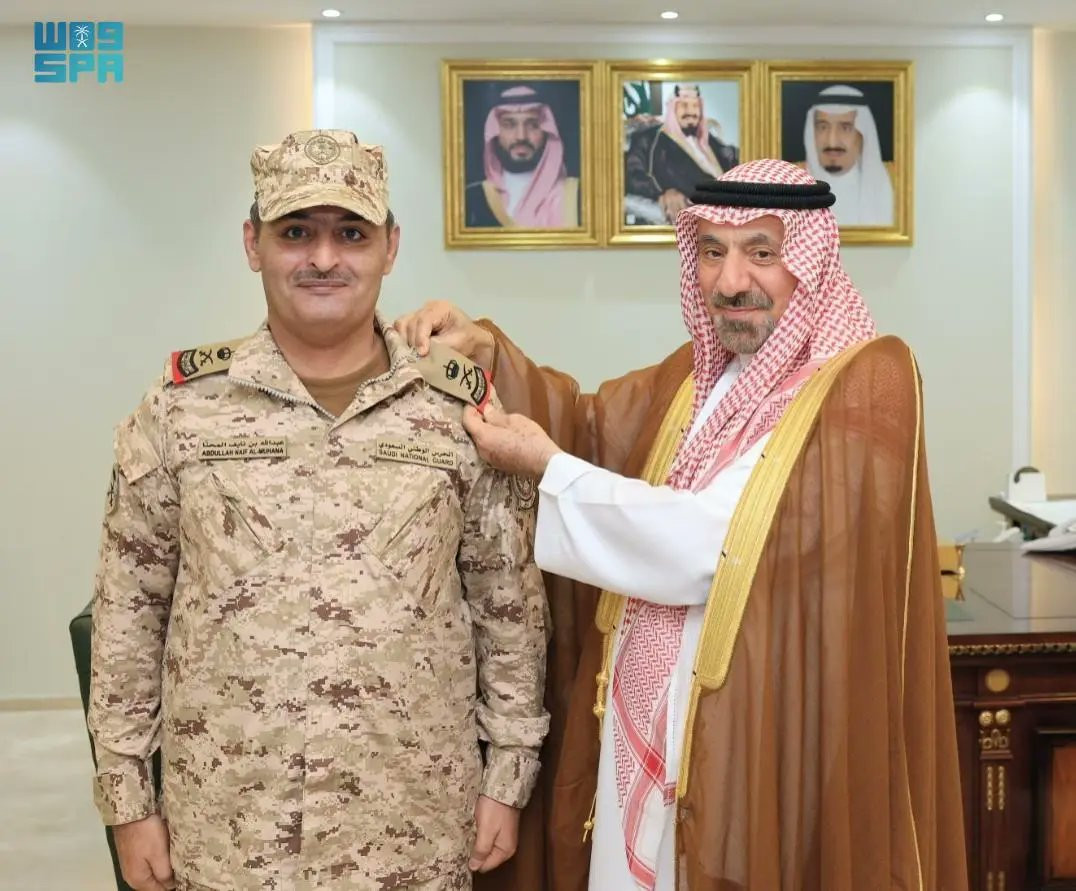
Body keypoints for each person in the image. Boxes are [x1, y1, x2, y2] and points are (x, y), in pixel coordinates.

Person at [395, 159, 968, 890]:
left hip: (762, 752)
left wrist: (549, 469)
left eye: (762, 252)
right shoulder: (702, 380)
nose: (731, 280)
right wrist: (488, 355)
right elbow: (590, 428)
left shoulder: (857, 392)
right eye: (712, 251)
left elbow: (715, 545)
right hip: (644, 740)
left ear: (809, 262)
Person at [88, 128, 549, 891]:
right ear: (253, 243)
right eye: (296, 231)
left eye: (352, 233)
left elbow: (508, 608)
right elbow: (129, 611)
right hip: (232, 826)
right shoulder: (181, 410)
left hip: (412, 820)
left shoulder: (454, 410)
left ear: (391, 246)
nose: (325, 258)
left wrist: (508, 773)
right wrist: (128, 798)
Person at [465, 83, 580, 229]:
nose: (521, 136)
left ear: (547, 132)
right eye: (509, 125)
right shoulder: (471, 198)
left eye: (533, 125)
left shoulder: (578, 196)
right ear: (495, 132)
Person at [624, 84, 739, 225]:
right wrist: (662, 192)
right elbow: (633, 175)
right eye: (684, 105)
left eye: (695, 106)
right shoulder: (651, 139)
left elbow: (731, 157)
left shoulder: (707, 139)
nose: (691, 112)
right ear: (672, 109)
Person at [802, 84, 894, 226]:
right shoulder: (791, 186)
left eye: (845, 128)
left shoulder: (896, 187)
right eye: (822, 127)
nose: (832, 141)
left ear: (862, 135)